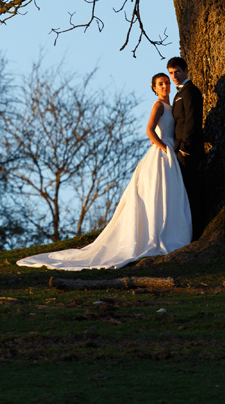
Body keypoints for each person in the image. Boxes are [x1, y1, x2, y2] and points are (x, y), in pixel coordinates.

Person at [16, 72, 192, 270]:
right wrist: (163, 147)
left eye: (166, 83)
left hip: (169, 151)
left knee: (168, 193)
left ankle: (169, 230)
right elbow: (149, 131)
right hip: (161, 152)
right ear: (154, 88)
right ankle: (155, 234)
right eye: (160, 84)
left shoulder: (172, 106)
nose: (165, 86)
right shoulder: (158, 105)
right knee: (158, 192)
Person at [167, 56, 206, 237]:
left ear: (185, 71)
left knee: (192, 192)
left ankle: (196, 233)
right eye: (171, 73)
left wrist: (185, 147)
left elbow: (191, 121)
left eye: (177, 72)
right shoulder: (179, 93)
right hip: (179, 150)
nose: (174, 76)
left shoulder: (190, 91)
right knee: (185, 192)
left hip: (188, 150)